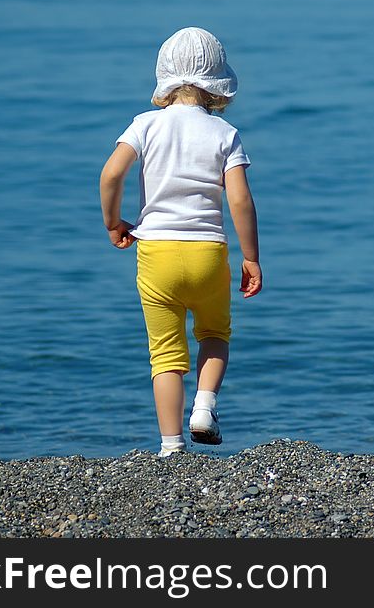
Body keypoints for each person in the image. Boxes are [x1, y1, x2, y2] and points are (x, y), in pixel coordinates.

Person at [99, 26, 262, 457]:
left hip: (157, 254)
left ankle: (171, 447)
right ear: (217, 83)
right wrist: (251, 257)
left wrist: (114, 222)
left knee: (165, 354)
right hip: (209, 253)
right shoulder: (224, 133)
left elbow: (111, 174)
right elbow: (240, 199)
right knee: (214, 333)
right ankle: (204, 408)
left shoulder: (145, 125)